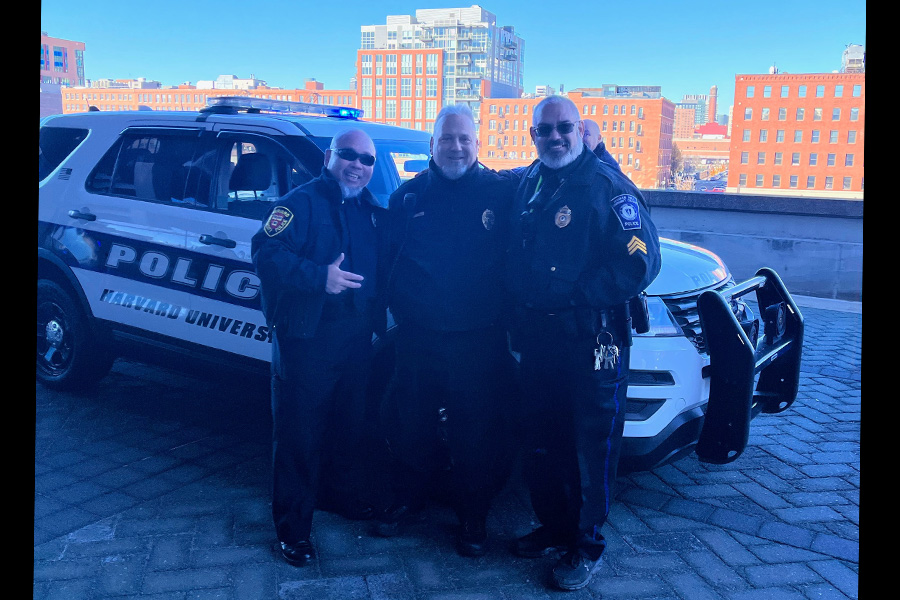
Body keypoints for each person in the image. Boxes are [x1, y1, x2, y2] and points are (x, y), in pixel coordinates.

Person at [505, 96, 661, 591]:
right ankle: (552, 527)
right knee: (542, 440)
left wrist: (577, 296)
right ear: (532, 136)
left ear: (581, 131)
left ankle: (586, 543)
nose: (554, 137)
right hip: (540, 341)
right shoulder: (532, 180)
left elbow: (640, 262)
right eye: (544, 130)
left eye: (564, 127)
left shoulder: (610, 189)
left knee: (589, 445)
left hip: (591, 340)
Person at [375, 104, 516, 557]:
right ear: (432, 145)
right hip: (419, 338)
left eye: (464, 139)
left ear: (477, 144)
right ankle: (407, 501)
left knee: (475, 433)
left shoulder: (501, 193)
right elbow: (389, 262)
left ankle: (473, 517)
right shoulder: (409, 198)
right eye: (446, 139)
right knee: (410, 425)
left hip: (479, 340)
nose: (456, 147)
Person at [251, 128, 387, 567]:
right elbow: (264, 251)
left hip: (356, 342)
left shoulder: (370, 209)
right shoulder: (300, 203)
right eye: (349, 155)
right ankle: (293, 530)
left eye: (367, 160)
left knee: (349, 428)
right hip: (307, 340)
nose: (358, 165)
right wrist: (318, 277)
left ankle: (340, 497)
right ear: (330, 156)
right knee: (299, 437)